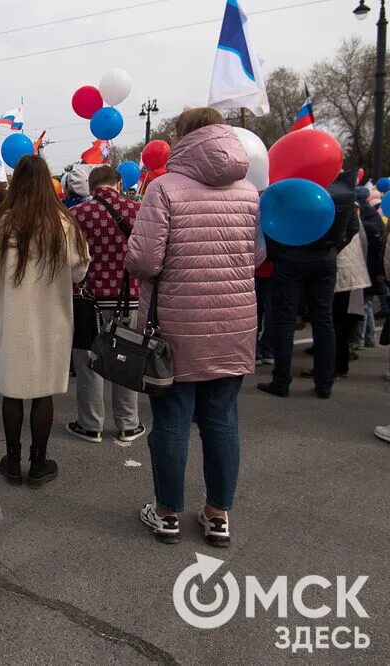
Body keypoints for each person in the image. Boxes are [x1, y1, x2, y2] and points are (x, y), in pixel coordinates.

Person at [125, 108, 262, 547]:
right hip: (234, 322)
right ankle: (218, 514)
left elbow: (144, 261)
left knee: (171, 422)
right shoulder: (248, 191)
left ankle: (167, 513)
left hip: (175, 325)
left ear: (184, 137)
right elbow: (256, 256)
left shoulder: (164, 188)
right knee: (222, 421)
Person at [0, 154, 90, 488]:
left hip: (11, 321)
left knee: (12, 393)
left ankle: (12, 460)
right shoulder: (64, 224)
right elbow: (81, 271)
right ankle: (39, 462)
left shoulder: (2, 223)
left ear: (17, 182)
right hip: (52, 322)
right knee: (43, 395)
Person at [258, 168, 357, 399]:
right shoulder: (342, 193)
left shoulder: (289, 190)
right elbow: (351, 229)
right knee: (324, 320)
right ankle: (325, 383)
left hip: (291, 259)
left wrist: (278, 253)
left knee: (284, 319)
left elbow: (270, 225)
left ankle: (281, 380)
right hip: (325, 259)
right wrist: (332, 250)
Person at [66, 165, 145, 443]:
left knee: (89, 360)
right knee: (127, 358)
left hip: (88, 298)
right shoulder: (137, 210)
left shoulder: (77, 214)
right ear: (119, 183)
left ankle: (91, 424)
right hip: (129, 296)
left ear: (90, 187)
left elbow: (70, 259)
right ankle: (128, 423)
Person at [330, 189, 368, 377]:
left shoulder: (335, 206)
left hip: (339, 269)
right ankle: (338, 364)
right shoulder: (350, 207)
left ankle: (333, 366)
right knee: (341, 322)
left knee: (335, 322)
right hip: (349, 269)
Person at [358, 186, 384, 346]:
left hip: (367, 266)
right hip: (372, 267)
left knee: (363, 304)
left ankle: (362, 338)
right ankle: (369, 337)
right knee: (365, 303)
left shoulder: (366, 222)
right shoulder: (375, 218)